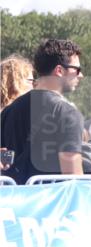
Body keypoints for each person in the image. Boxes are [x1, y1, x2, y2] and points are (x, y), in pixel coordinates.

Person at [1, 39, 85, 184]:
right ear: (59, 70)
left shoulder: (9, 111)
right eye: (77, 69)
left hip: (13, 202)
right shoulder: (68, 113)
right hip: (53, 204)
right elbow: (74, 180)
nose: (80, 75)